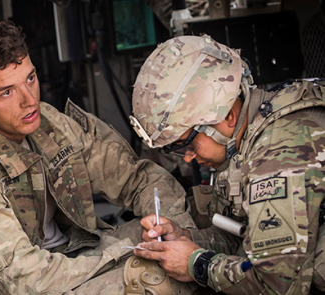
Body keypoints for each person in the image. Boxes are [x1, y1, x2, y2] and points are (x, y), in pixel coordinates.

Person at [0, 20, 197, 295]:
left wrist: (177, 229)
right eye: (6, 92)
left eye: (30, 79)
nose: (28, 100)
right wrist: (121, 253)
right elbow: (21, 277)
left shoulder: (49, 122)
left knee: (202, 245)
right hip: (24, 286)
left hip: (75, 257)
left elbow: (137, 179)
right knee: (162, 280)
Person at [128, 34, 325, 294]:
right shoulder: (247, 138)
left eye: (187, 144)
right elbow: (240, 237)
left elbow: (276, 285)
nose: (187, 157)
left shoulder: (278, 156)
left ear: (227, 117)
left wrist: (197, 265)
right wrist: (186, 240)